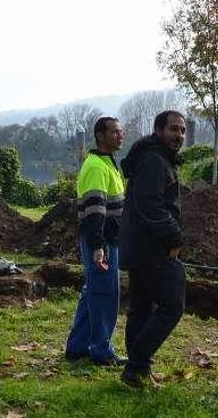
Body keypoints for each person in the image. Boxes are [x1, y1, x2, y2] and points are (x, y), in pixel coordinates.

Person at [118, 110, 186, 388]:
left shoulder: (152, 158)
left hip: (138, 245)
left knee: (141, 308)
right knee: (172, 305)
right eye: (173, 129)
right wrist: (174, 239)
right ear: (158, 130)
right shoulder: (155, 162)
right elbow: (151, 206)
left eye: (182, 131)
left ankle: (137, 371)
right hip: (152, 247)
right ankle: (138, 364)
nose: (179, 136)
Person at [65, 116, 126, 365]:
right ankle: (101, 350)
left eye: (121, 132)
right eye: (115, 132)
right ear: (101, 136)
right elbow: (94, 211)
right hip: (103, 242)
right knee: (104, 294)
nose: (120, 136)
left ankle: (78, 347)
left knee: (93, 291)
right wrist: (98, 246)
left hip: (108, 239)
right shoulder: (96, 167)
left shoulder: (107, 163)